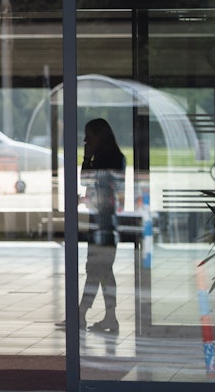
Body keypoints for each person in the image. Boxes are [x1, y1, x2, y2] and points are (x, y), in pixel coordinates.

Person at [79, 117, 126, 334]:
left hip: (102, 223)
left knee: (98, 269)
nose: (85, 140)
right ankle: (107, 316)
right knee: (102, 270)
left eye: (89, 135)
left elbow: (86, 180)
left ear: (98, 136)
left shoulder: (106, 159)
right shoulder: (115, 157)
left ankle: (83, 313)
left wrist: (87, 158)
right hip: (105, 221)